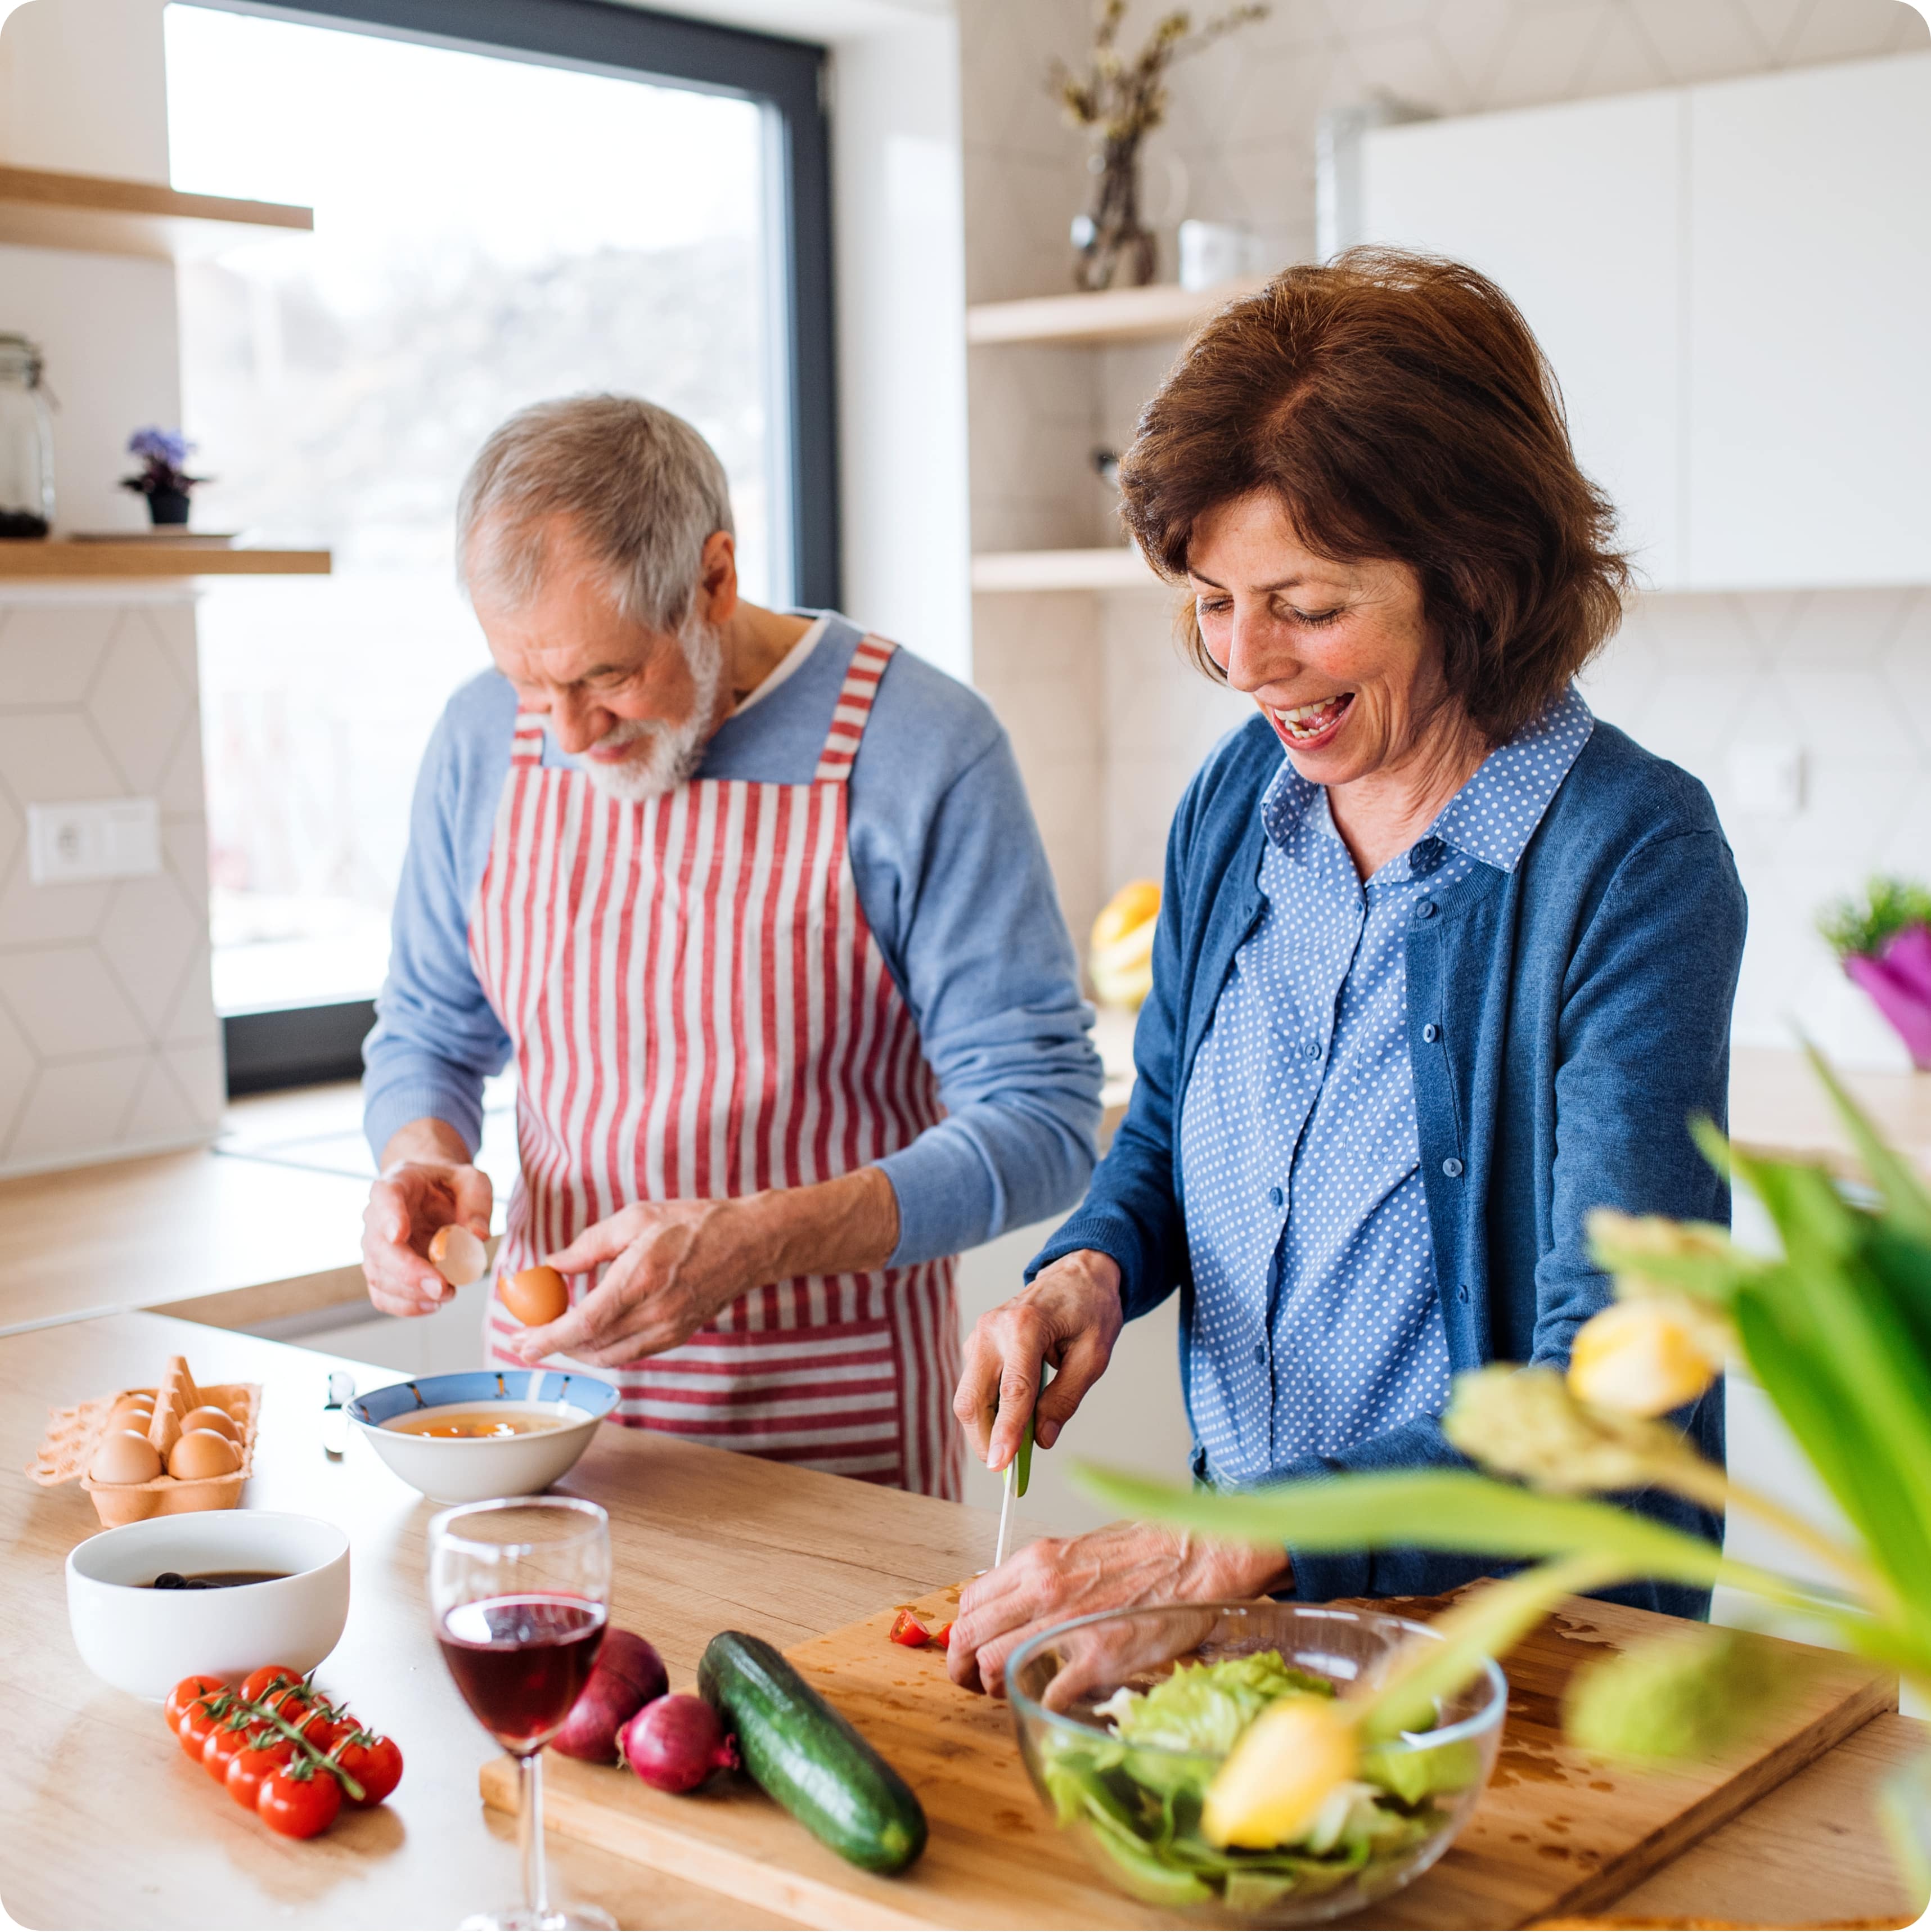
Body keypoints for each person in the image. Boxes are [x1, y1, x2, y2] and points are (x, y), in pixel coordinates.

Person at [949, 250, 1746, 1690]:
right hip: (1250, 1629)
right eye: (1211, 600)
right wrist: (1089, 1267)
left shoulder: (1632, 857)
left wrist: (1222, 1548)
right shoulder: (1238, 804)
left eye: (1307, 607)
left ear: (1474, 576)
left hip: (1536, 1656)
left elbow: (1612, 1391)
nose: (1247, 662)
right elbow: (1169, 1126)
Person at [359, 395, 1101, 1498]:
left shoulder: (920, 746)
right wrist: (417, 1153)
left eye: (606, 676)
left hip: (831, 1448)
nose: (566, 733)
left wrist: (761, 1237)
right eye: (529, 683)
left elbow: (1043, 1118)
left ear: (714, 577)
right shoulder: (479, 736)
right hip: (547, 1427)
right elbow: (428, 1029)